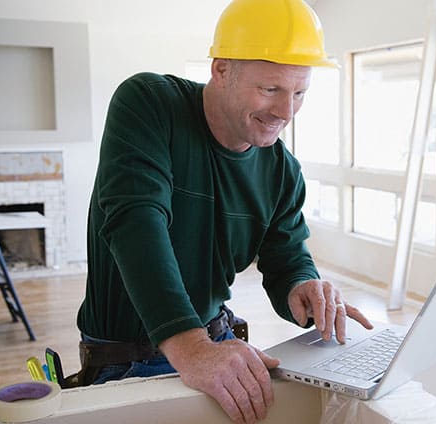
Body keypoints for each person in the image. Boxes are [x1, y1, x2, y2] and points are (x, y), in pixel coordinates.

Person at [76, 0, 373, 422]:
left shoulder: (283, 171)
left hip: (216, 344)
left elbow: (287, 258)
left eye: (299, 93)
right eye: (270, 89)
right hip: (129, 361)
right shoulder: (148, 105)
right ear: (221, 70)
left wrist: (303, 286)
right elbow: (136, 223)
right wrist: (191, 347)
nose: (286, 112)